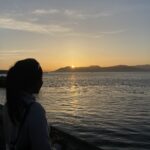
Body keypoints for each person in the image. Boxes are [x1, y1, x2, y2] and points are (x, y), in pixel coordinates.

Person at [3, 58, 51, 150]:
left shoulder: (8, 106)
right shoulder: (35, 110)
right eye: (40, 78)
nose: (42, 82)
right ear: (32, 81)